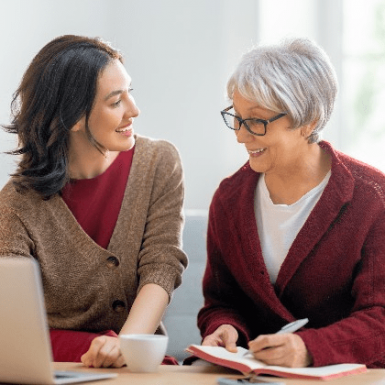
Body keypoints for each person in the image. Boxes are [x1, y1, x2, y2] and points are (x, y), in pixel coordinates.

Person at [0, 35, 187, 368]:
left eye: (131, 92)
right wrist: (91, 349)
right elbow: (11, 327)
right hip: (56, 366)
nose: (134, 110)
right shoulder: (15, 206)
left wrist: (127, 345)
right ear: (73, 117)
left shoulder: (160, 162)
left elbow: (162, 265)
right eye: (116, 101)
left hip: (137, 364)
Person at [197, 38, 385, 368]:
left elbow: (380, 319)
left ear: (308, 120)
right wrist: (224, 328)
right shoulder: (229, 199)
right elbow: (220, 302)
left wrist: (308, 349)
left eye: (256, 121)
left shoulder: (373, 197)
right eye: (236, 117)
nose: (241, 136)